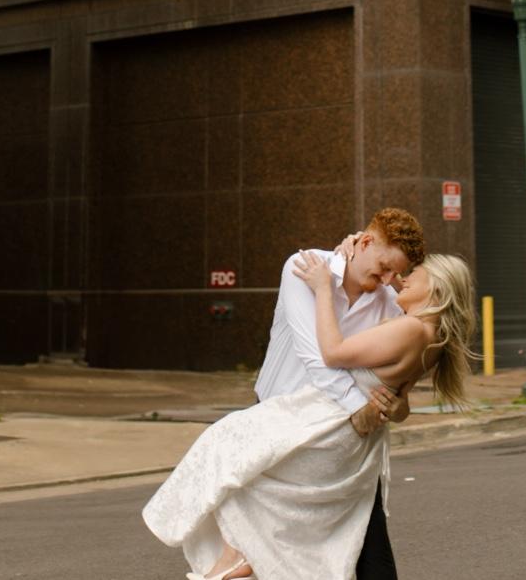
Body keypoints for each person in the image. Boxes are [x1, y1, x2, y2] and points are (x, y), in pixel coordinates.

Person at [143, 212, 477, 580]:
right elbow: (320, 360)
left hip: (336, 428)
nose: (390, 280)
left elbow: (350, 363)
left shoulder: (392, 305)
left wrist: (387, 409)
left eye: (397, 274)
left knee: (350, 532)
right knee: (254, 494)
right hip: (287, 413)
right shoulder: (305, 268)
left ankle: (239, 556)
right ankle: (240, 556)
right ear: (365, 243)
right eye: (385, 269)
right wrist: (368, 409)